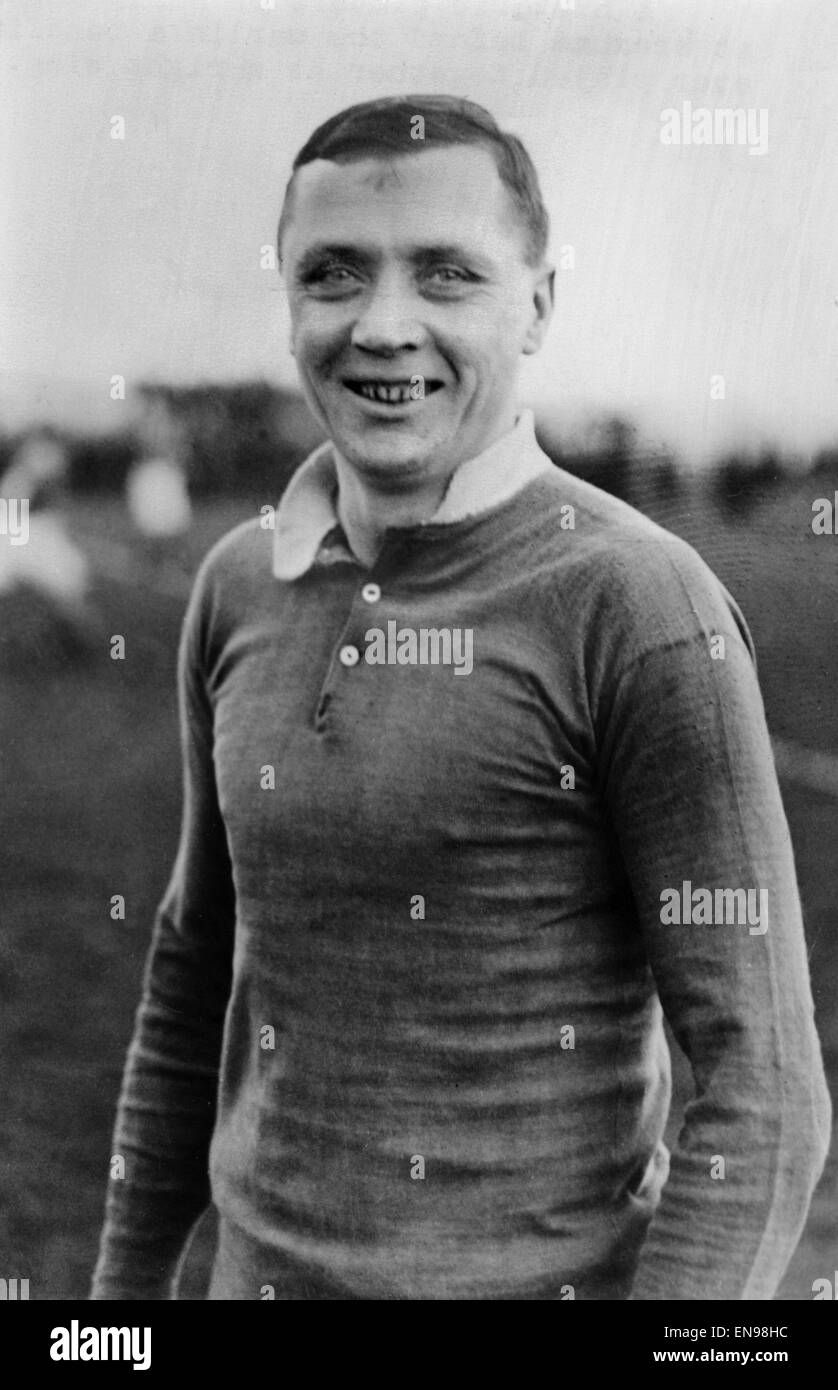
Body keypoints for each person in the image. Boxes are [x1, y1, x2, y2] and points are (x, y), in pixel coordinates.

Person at [91, 95, 830, 1301]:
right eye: (333, 275)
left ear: (536, 304)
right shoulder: (238, 583)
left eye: (447, 275)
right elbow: (190, 971)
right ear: (288, 304)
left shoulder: (640, 606)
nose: (385, 326)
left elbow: (768, 1098)